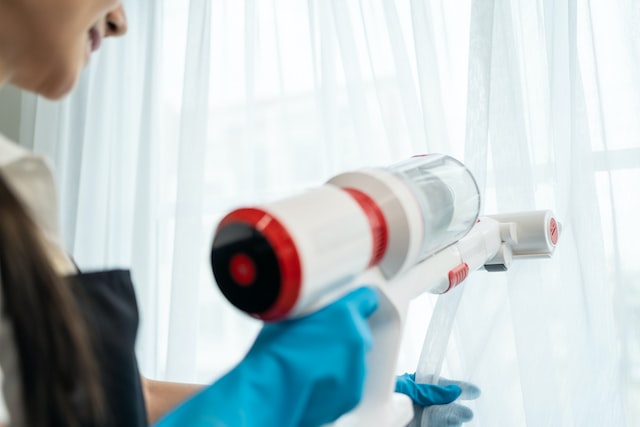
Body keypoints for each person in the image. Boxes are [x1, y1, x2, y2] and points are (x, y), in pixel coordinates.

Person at [0, 0, 478, 426]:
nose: (120, 20)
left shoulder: (17, 196)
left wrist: (336, 400)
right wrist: (269, 391)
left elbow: (117, 400)